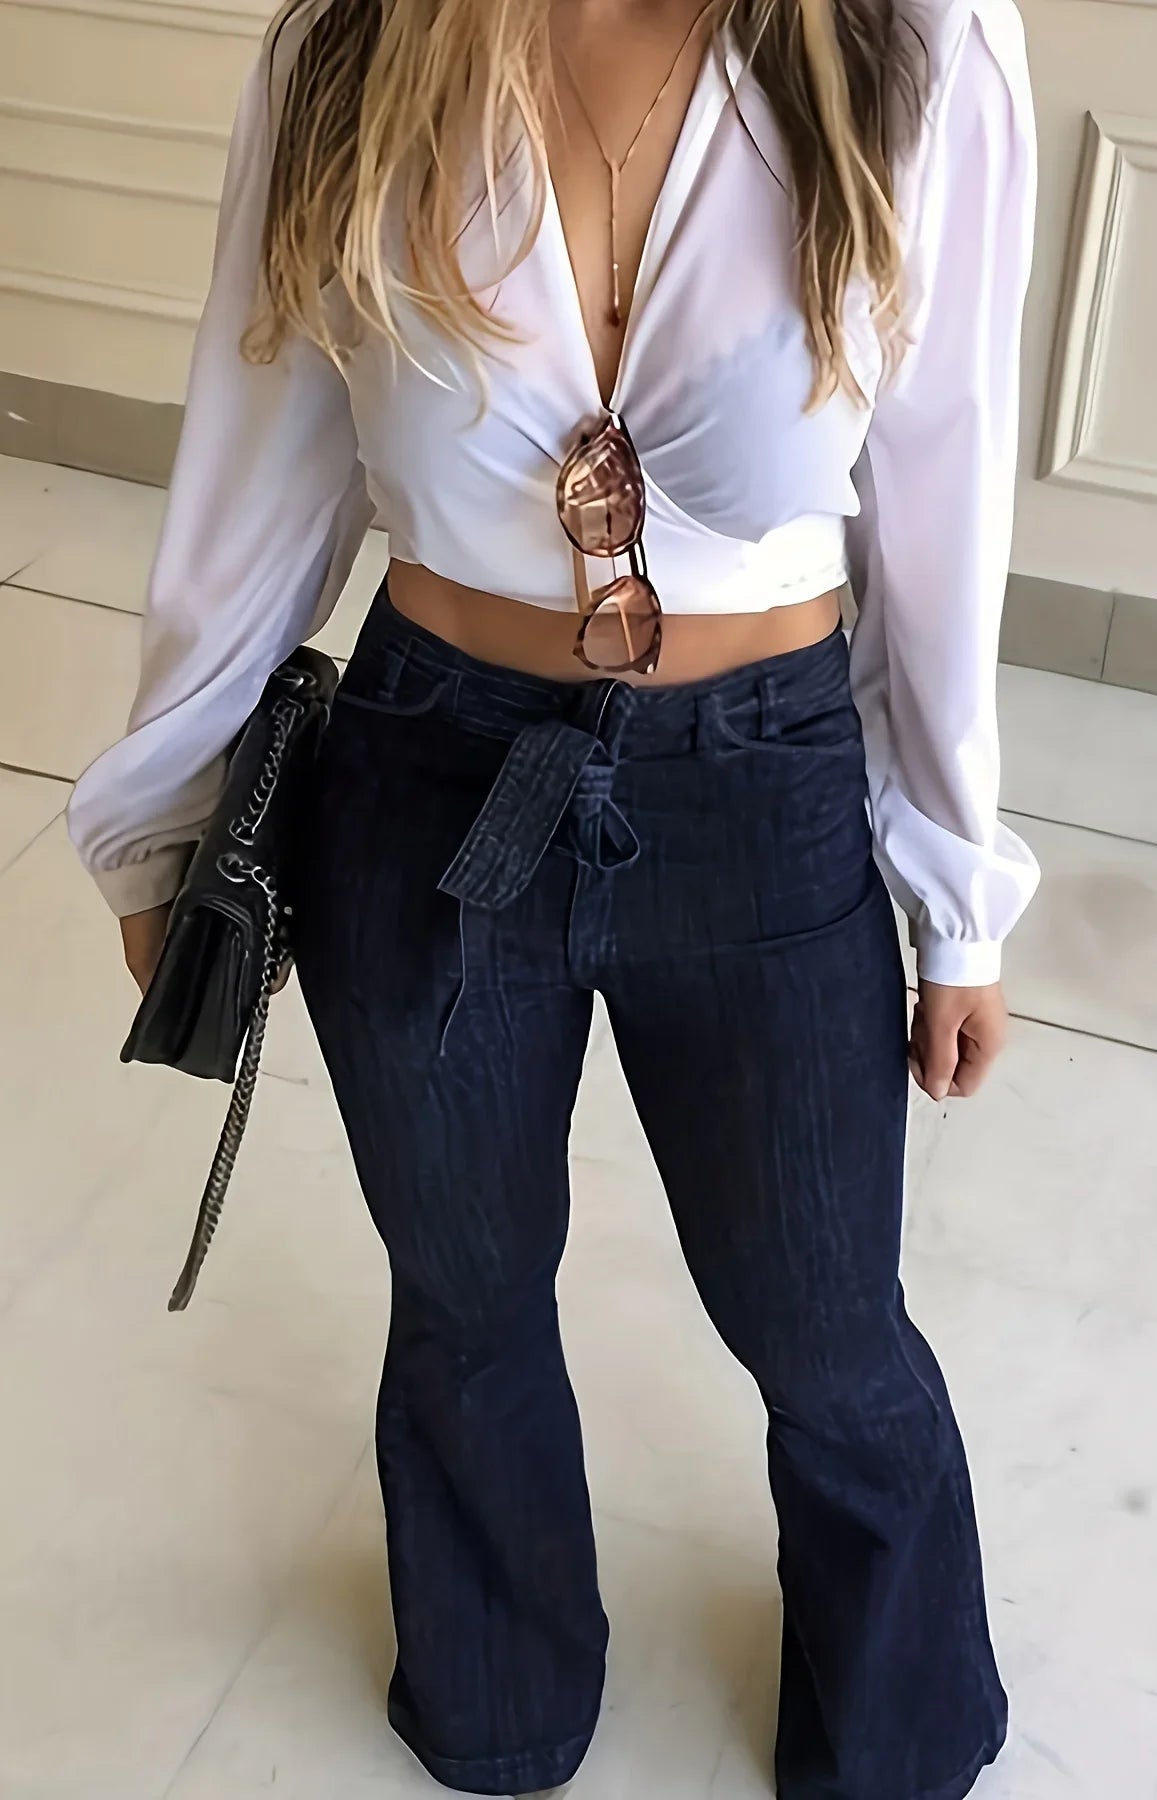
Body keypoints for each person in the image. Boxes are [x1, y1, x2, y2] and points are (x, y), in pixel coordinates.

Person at [66, 0, 1040, 1793]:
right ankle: (497, 1692)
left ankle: (895, 1728)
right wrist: (166, 807)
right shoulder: (350, 45)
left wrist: (953, 886)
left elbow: (942, 496)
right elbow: (260, 455)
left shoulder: (911, 44)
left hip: (763, 787)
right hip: (426, 763)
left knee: (821, 1319)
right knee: (463, 1291)